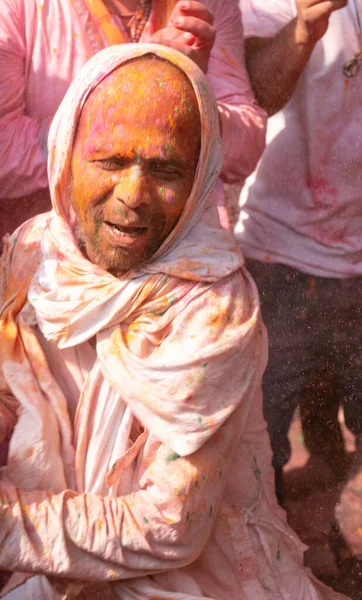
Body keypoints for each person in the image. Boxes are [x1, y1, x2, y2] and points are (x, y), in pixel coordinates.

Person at [0, 43, 348, 600]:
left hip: (193, 581)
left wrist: (10, 523)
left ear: (200, 176)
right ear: (66, 156)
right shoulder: (35, 255)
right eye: (110, 161)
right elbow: (17, 386)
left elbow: (171, 529)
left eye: (164, 169)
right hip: (53, 553)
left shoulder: (213, 310)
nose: (133, 196)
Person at [0, 0, 266, 240]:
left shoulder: (207, 7)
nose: (132, 195)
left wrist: (191, 96)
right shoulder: (17, 7)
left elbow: (247, 146)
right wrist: (139, 89)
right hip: (48, 265)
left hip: (177, 268)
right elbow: (4, 151)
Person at [236, 0, 362, 506]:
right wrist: (306, 27)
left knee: (327, 451)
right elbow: (254, 94)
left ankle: (317, 528)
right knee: (254, 459)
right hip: (278, 261)